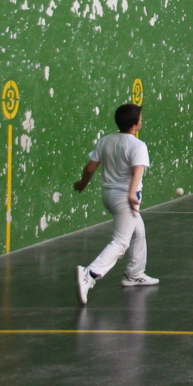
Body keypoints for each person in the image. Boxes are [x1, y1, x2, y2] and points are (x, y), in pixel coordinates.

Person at [73, 103, 159, 305]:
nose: (142, 120)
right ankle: (90, 274)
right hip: (124, 198)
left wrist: (83, 183)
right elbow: (138, 171)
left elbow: (90, 168)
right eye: (140, 118)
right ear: (134, 125)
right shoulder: (138, 146)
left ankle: (135, 274)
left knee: (138, 231)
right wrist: (132, 194)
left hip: (108, 195)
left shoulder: (106, 140)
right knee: (121, 242)